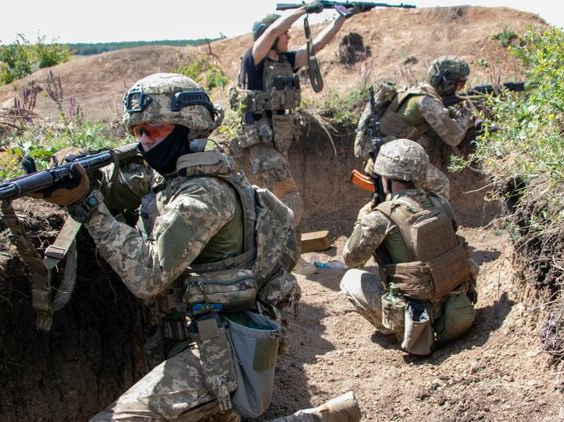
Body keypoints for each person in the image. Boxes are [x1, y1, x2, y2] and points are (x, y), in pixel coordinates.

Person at [35, 72, 325, 421]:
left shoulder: (204, 195)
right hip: (195, 333)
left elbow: (148, 277)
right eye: (138, 132)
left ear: (189, 128)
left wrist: (88, 207)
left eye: (154, 130)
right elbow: (122, 186)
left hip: (223, 351)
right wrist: (80, 176)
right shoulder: (175, 174)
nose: (144, 142)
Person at [229, 2, 366, 275]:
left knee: (280, 205)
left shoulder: (284, 62)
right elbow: (275, 29)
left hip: (278, 143)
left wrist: (342, 17)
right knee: (292, 202)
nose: (288, 36)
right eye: (284, 34)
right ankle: (282, 259)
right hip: (261, 146)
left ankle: (282, 256)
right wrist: (304, 9)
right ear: (269, 36)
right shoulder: (254, 61)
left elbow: (317, 46)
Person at [340, 139, 478, 356]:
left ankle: (392, 328)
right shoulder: (440, 202)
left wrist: (363, 220)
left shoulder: (380, 217)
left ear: (387, 178)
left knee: (350, 279)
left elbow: (351, 259)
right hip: (457, 309)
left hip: (417, 322)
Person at [354, 55, 474, 203]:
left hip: (385, 155)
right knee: (440, 183)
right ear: (446, 81)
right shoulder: (427, 102)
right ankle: (436, 216)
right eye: (460, 83)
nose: (462, 87)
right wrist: (468, 112)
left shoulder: (416, 92)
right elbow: (454, 137)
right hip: (393, 159)